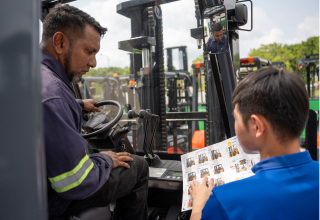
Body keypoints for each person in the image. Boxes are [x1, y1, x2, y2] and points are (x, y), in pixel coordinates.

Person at [40, 4, 149, 220]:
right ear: (60, 42)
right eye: (89, 51)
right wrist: (105, 159)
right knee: (138, 166)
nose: (94, 63)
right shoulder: (55, 96)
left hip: (41, 184)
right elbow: (75, 182)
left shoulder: (36, 76)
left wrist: (78, 104)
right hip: (54, 198)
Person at [189, 68, 319, 220]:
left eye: (235, 118)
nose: (235, 124)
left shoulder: (224, 202)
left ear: (256, 127)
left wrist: (198, 207)